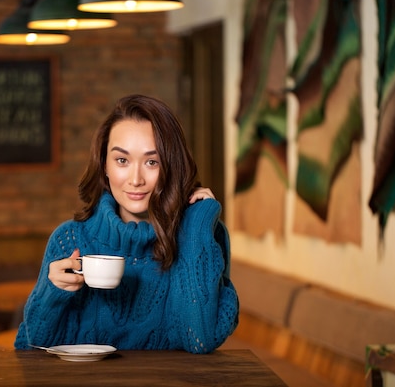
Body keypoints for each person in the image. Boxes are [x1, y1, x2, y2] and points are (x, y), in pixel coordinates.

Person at [14, 94, 239, 354]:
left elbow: (200, 340)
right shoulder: (71, 238)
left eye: (152, 162)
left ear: (172, 167)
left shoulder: (201, 236)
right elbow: (31, 348)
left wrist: (196, 224)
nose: (135, 179)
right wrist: (51, 293)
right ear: (105, 166)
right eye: (122, 160)